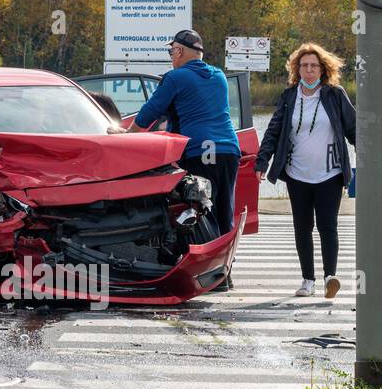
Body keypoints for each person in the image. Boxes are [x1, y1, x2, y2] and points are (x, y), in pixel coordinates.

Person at [255, 43, 356, 299]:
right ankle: (308, 281)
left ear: (323, 69)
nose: (309, 70)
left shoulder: (334, 94)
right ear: (297, 69)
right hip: (297, 173)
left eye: (314, 65)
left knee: (327, 225)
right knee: (302, 227)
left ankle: (330, 277)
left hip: (330, 173)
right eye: (304, 66)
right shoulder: (289, 96)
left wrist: (371, 158)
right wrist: (262, 161)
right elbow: (273, 130)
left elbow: (353, 128)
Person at [128, 30, 242, 243]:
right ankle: (227, 259)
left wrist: (127, 135)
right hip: (229, 150)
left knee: (201, 213)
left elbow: (150, 112)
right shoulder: (219, 76)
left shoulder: (175, 77)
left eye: (171, 51)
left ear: (179, 51)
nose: (171, 56)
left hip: (200, 151)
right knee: (225, 213)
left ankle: (207, 259)